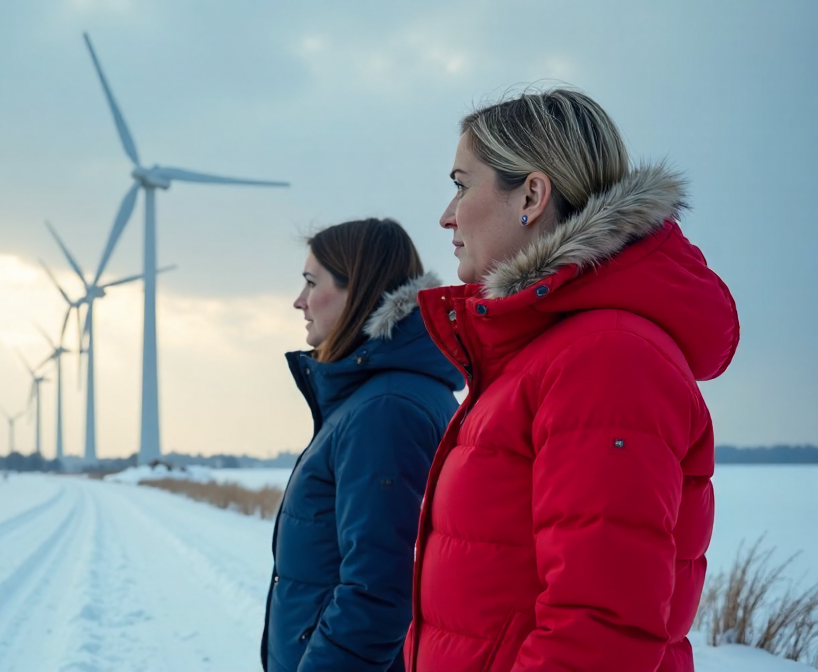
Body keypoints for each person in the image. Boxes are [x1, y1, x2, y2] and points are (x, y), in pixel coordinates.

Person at [404, 88, 740, 672]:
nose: (447, 215)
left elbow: (600, 631)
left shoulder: (607, 359)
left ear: (531, 196)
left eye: (461, 185)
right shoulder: (544, 355)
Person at [262, 218, 463, 672]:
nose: (299, 301)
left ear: (357, 289)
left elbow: (378, 590)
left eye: (311, 282)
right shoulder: (386, 398)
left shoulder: (386, 410)